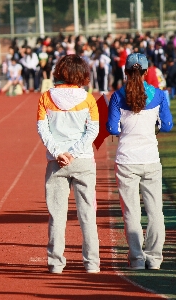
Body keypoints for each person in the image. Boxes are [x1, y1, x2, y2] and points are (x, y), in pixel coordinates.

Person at [106, 53, 173, 270]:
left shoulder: (117, 96)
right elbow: (167, 125)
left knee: (131, 212)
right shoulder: (159, 95)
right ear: (146, 72)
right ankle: (154, 259)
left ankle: (136, 259)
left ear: (125, 72)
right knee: (155, 210)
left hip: (126, 159)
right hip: (150, 158)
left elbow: (111, 128)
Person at [36, 54, 100, 274]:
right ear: (82, 73)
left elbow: (42, 129)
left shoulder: (46, 97)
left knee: (57, 215)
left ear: (59, 71)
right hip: (82, 161)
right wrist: (73, 153)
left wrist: (59, 153)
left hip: (57, 163)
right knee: (87, 215)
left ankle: (55, 263)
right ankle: (91, 263)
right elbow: (93, 130)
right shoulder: (88, 98)